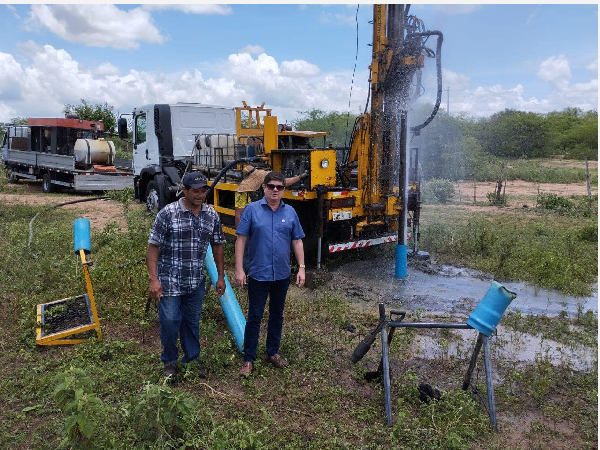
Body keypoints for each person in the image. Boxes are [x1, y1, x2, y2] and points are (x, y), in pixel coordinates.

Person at [147, 171, 226, 380]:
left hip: (195, 281)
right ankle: (169, 361)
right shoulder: (168, 213)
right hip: (169, 280)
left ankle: (191, 359)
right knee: (171, 320)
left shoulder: (211, 215)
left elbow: (217, 246)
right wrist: (153, 280)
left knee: (191, 322)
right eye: (195, 191)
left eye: (203, 191)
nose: (200, 195)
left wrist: (220, 276)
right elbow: (153, 247)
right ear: (184, 190)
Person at [234, 171, 306, 378]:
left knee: (277, 315)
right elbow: (241, 240)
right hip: (258, 273)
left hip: (281, 274)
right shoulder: (251, 211)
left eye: (279, 187)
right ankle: (249, 359)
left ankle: (272, 352)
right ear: (264, 188)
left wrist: (301, 267)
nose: (275, 190)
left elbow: (297, 241)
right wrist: (239, 269)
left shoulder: (290, 212)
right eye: (271, 186)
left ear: (283, 190)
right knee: (255, 316)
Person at [234, 165, 308, 227]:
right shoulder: (243, 192)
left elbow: (284, 182)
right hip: (254, 224)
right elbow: (239, 215)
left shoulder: (265, 185)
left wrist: (300, 177)